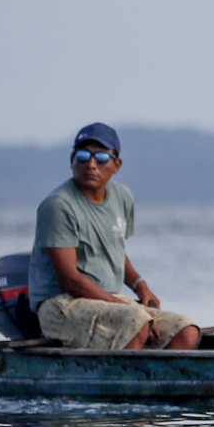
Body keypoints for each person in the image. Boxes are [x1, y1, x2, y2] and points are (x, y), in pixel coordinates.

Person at [28, 123, 201, 351]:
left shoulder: (122, 197)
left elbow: (115, 250)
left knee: (186, 330)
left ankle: (153, 385)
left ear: (116, 165)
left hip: (109, 299)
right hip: (62, 304)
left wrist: (140, 286)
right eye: (83, 156)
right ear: (72, 160)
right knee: (135, 322)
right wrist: (130, 309)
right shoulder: (58, 206)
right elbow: (69, 279)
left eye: (100, 157)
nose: (91, 164)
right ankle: (122, 384)